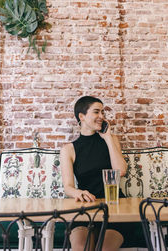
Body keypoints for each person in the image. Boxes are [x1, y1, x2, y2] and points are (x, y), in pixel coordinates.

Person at [60, 95, 127, 251]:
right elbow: (68, 187)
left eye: (102, 112)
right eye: (96, 112)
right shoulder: (68, 149)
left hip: (115, 207)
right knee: (80, 247)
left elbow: (121, 171)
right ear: (82, 116)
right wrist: (78, 192)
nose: (101, 117)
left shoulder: (111, 139)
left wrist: (108, 137)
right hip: (86, 208)